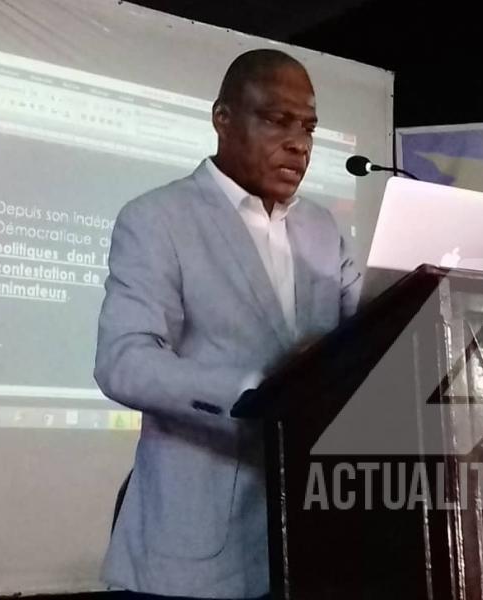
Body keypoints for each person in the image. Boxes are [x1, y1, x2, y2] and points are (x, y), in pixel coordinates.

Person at [94, 49, 361, 600]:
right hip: (194, 552)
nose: (299, 143)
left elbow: (370, 332)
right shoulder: (156, 218)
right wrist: (255, 391)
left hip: (312, 540)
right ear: (223, 118)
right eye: (277, 121)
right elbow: (124, 362)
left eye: (308, 128)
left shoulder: (322, 229)